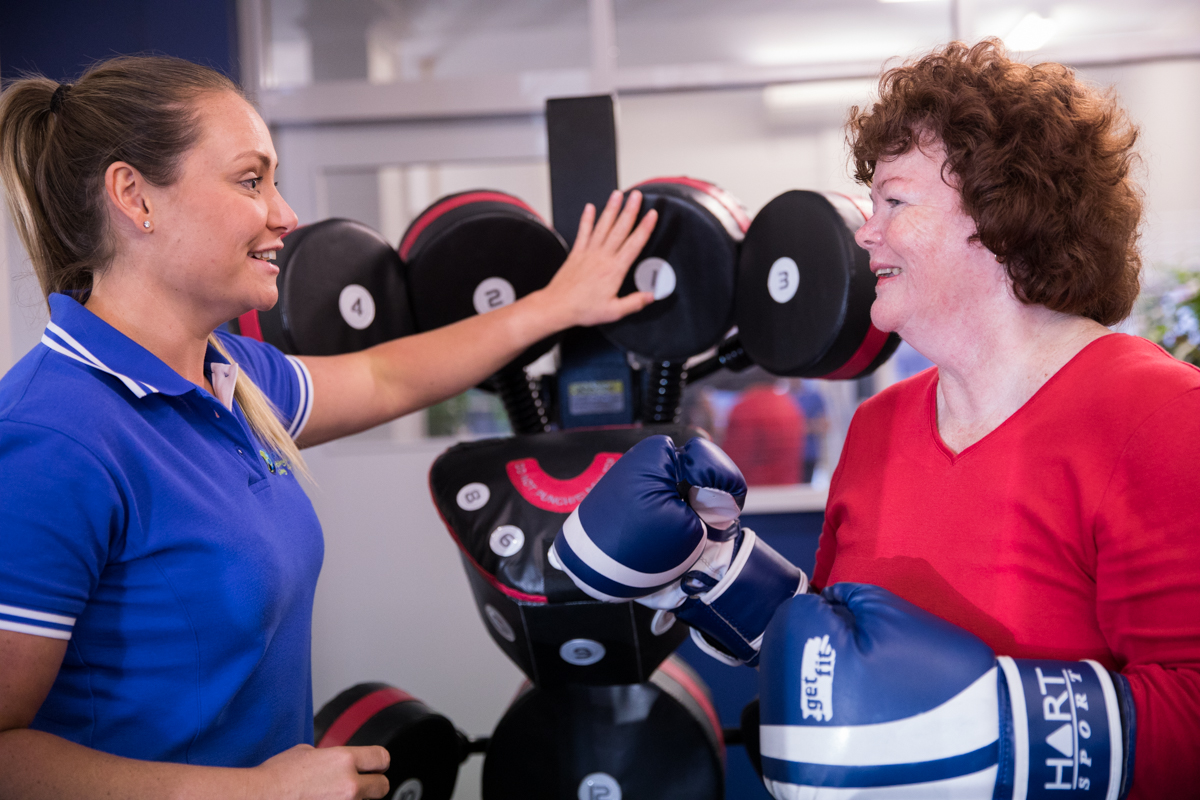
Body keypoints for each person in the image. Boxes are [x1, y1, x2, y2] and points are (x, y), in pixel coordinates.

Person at [547, 40, 1199, 799]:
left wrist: (982, 739)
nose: (865, 233)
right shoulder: (880, 424)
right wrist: (710, 572)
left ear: (1003, 215)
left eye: (894, 202)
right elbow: (843, 660)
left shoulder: (1159, 416)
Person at [0, 56, 656, 799]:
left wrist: (557, 305)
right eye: (251, 180)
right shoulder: (51, 439)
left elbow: (386, 376)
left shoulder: (233, 377)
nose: (286, 215)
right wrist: (251, 794)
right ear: (134, 196)